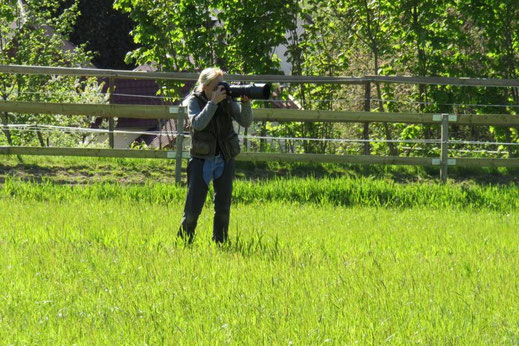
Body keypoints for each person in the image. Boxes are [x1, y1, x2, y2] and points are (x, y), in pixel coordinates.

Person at [178, 67, 253, 243]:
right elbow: (198, 124)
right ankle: (183, 242)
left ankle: (220, 243)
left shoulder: (227, 100)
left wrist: (246, 103)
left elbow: (246, 121)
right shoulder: (194, 101)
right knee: (192, 209)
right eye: (217, 86)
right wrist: (213, 103)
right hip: (201, 159)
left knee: (223, 207)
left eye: (222, 84)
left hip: (225, 158)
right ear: (205, 86)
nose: (222, 88)